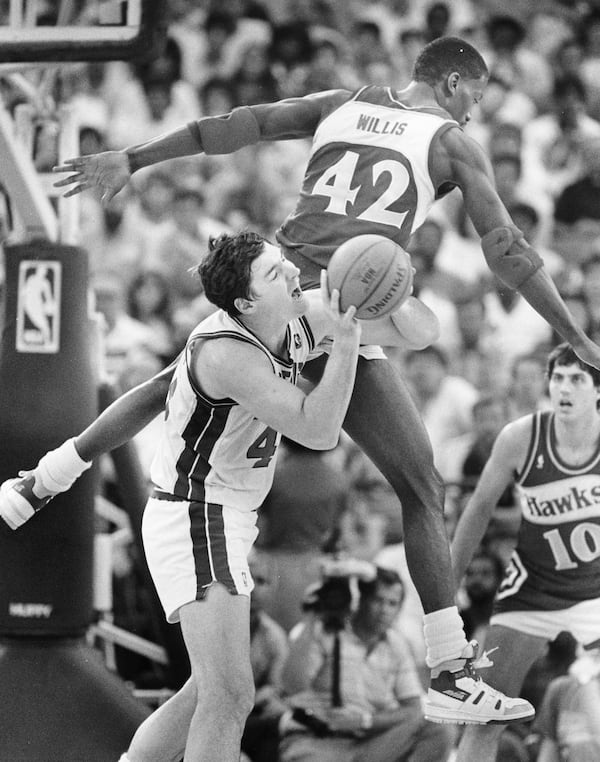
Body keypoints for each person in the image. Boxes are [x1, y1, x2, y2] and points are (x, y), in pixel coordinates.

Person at [38, 34, 600, 724]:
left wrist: (134, 157)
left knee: (171, 384)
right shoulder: (451, 141)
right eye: (478, 97)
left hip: (272, 288)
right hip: (332, 309)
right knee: (421, 480)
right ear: (455, 85)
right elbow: (508, 251)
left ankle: (55, 471)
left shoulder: (344, 102)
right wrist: (575, 335)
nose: (477, 112)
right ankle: (450, 668)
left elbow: (239, 125)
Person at [0, 230, 440, 762]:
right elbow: (318, 431)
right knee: (231, 694)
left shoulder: (298, 312)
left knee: (203, 693)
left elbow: (417, 333)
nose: (293, 273)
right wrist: (349, 343)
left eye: (284, 264)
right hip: (196, 514)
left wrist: (398, 288)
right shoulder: (226, 354)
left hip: (219, 516)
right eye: (276, 273)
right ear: (246, 303)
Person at [451, 343, 600, 762]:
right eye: (558, 378)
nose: (565, 388)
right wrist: (446, 584)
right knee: (483, 714)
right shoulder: (521, 436)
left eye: (577, 379)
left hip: (594, 590)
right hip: (533, 587)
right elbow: (478, 508)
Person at [279, 565, 453, 762]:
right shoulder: (324, 630)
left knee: (437, 727)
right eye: (378, 600)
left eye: (392, 603)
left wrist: (365, 721)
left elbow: (413, 709)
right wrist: (311, 616)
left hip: (368, 743)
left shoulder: (396, 644)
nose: (384, 610)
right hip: (317, 741)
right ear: (361, 600)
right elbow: (292, 686)